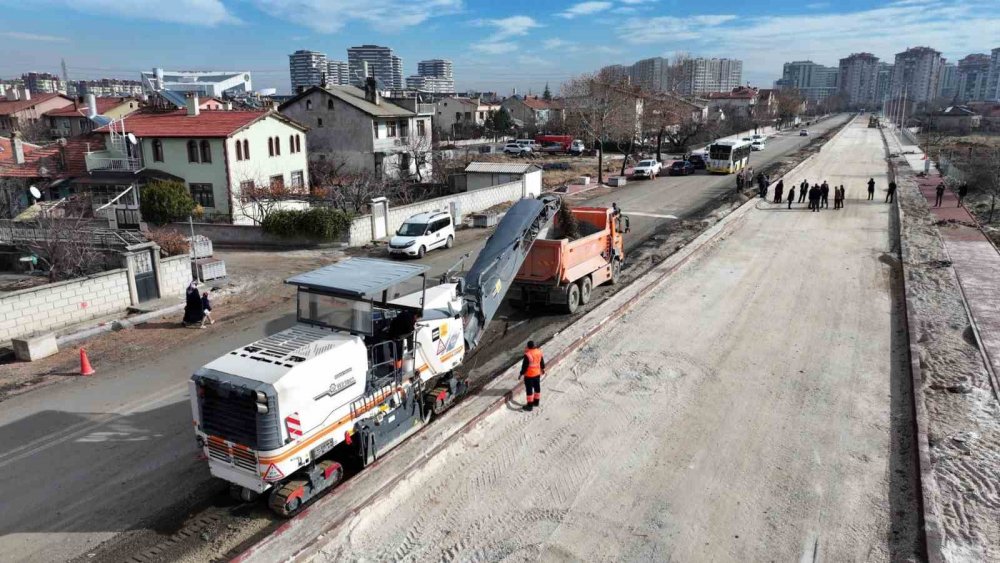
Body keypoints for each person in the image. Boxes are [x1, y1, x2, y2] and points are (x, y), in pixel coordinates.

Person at [519, 340, 545, 411]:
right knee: (537, 387)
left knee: (529, 390)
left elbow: (524, 366)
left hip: (529, 375)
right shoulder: (539, 352)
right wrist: (542, 369)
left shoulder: (528, 355)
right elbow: (542, 363)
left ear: (528, 346)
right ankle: (536, 402)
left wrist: (521, 373)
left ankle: (529, 405)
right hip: (537, 373)